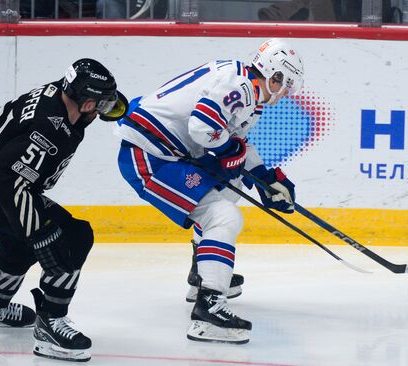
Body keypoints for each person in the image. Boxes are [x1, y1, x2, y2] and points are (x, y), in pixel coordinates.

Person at [115, 38, 303, 344]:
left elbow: (235, 142)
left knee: (231, 187)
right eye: (286, 84)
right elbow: (202, 129)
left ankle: (202, 276)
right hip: (150, 156)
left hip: (167, 152)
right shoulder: (240, 85)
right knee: (224, 216)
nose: (285, 93)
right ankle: (209, 308)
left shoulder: (248, 90)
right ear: (274, 74)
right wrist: (230, 149)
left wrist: (267, 178)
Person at [0, 58, 128, 362]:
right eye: (101, 105)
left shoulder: (60, 96)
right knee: (73, 237)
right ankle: (51, 323)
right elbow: (7, 181)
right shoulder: (50, 128)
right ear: (87, 104)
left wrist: (30, 234)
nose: (103, 111)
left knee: (19, 242)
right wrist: (41, 234)